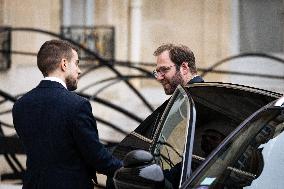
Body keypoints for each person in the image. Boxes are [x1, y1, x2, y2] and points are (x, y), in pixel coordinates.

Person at [12, 40, 122, 189]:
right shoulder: (77, 105)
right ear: (64, 64)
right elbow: (96, 156)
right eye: (76, 63)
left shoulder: (20, 105)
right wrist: (127, 169)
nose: (79, 70)